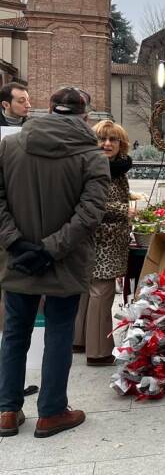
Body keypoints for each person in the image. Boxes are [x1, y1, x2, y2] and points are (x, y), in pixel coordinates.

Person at [0, 87, 109, 438]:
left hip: (18, 260)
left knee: (15, 333)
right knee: (59, 334)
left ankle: (6, 409)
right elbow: (90, 214)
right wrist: (50, 249)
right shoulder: (92, 155)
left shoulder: (10, 145)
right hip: (64, 261)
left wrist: (16, 243)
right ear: (85, 115)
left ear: (48, 108)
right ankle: (51, 412)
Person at [73, 121, 133, 366]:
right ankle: (99, 352)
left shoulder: (113, 168)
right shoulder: (95, 167)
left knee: (89, 291)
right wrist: (124, 210)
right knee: (101, 291)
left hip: (106, 238)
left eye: (113, 140)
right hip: (100, 238)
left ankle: (79, 341)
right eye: (102, 139)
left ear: (121, 144)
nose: (107, 144)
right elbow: (90, 203)